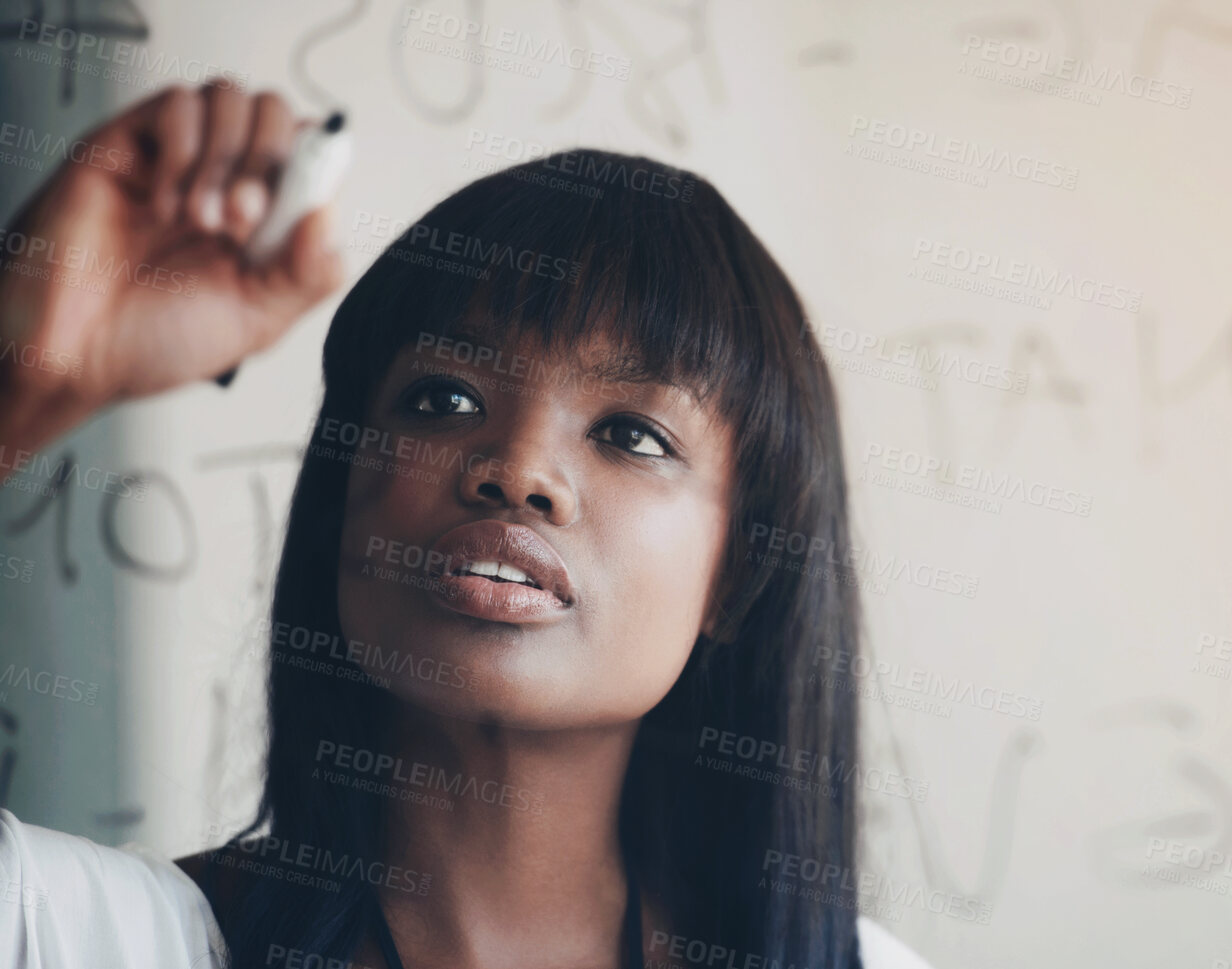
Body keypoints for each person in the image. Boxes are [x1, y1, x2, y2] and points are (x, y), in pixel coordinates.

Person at [0, 81, 932, 969]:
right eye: (443, 396)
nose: (518, 470)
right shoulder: (71, 933)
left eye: (631, 433)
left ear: (740, 575)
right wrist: (24, 379)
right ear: (345, 495)